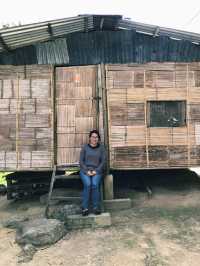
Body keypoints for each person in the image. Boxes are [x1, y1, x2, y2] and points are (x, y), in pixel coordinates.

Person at [79, 129, 106, 216]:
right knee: (87, 184)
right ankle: (84, 208)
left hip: (97, 171)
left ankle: (96, 207)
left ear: (98, 139)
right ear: (90, 138)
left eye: (96, 137)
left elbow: (103, 162)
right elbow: (81, 161)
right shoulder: (85, 148)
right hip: (85, 171)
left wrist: (96, 171)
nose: (95, 139)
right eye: (93, 137)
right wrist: (86, 171)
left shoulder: (101, 148)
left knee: (94, 184)